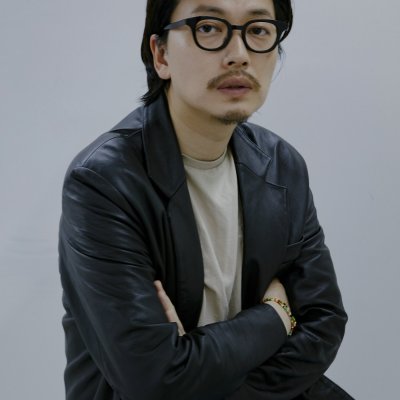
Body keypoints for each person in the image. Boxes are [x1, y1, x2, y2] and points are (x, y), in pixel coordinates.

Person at [58, 0, 353, 399]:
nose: (239, 55)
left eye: (259, 30)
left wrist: (194, 369)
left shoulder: (282, 165)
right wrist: (277, 315)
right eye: (209, 28)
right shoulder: (104, 182)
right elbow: (154, 380)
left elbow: (323, 324)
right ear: (161, 55)